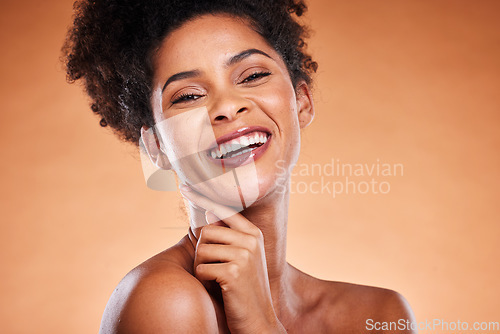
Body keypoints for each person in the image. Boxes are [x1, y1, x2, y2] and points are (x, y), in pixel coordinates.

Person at [62, 0, 416, 332]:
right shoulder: (167, 302)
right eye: (188, 96)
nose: (227, 107)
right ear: (157, 146)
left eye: (252, 76)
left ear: (302, 101)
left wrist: (262, 321)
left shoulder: (379, 313)